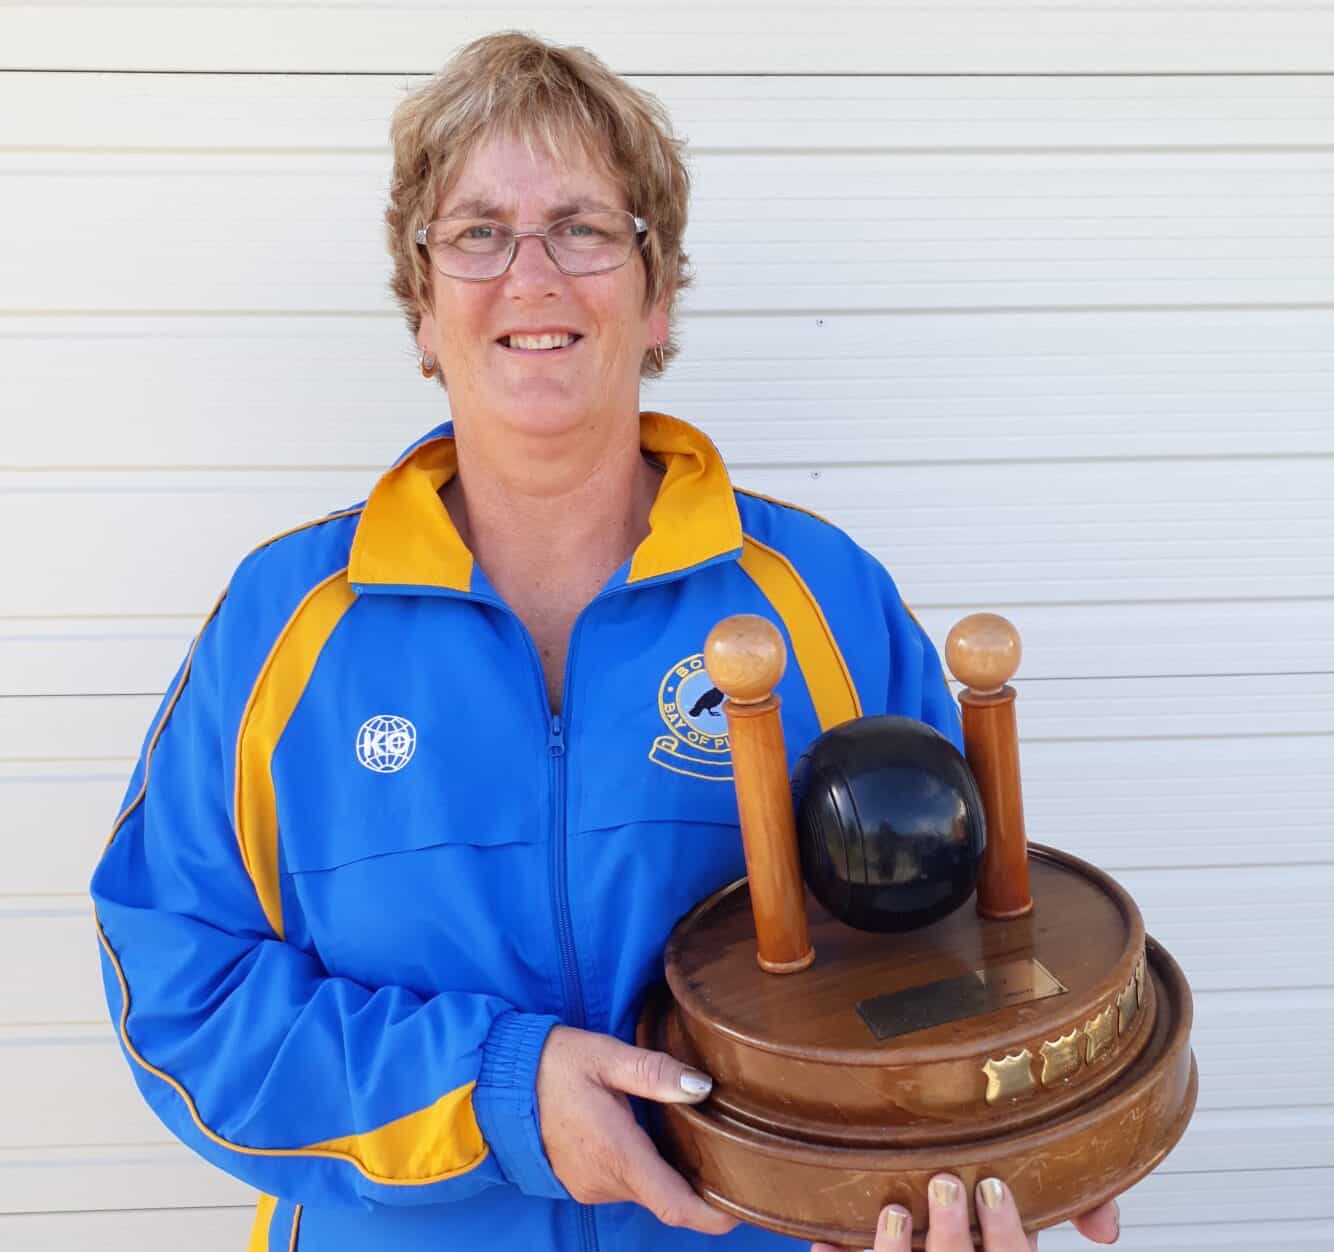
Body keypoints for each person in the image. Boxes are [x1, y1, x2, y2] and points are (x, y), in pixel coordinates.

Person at [89, 31, 1121, 1252]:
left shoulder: (819, 601)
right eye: (477, 232)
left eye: (582, 228)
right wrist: (495, 1088)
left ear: (656, 292)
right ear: (422, 306)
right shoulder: (284, 624)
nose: (530, 275)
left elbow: (955, 946)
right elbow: (181, 989)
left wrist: (1014, 1131)